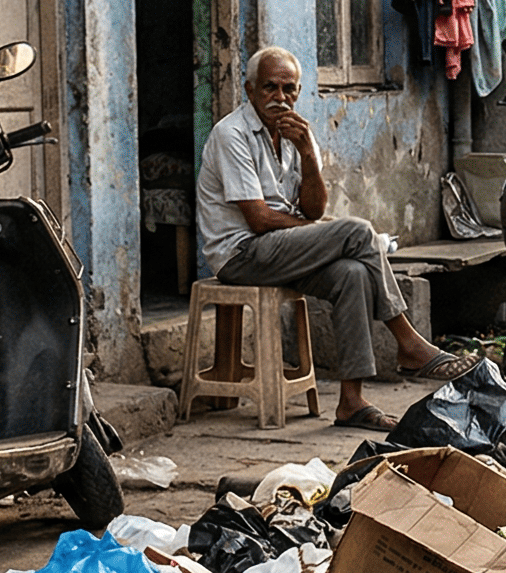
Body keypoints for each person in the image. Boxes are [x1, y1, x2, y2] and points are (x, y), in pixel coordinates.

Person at [198, 46, 479, 430]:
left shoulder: (296, 133)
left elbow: (313, 209)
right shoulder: (230, 134)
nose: (280, 97)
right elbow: (259, 219)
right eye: (269, 88)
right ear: (249, 90)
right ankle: (409, 343)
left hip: (280, 249)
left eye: (289, 89)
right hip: (241, 255)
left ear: (298, 92)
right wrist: (322, 232)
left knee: (353, 274)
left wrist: (307, 155)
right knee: (357, 231)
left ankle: (351, 402)